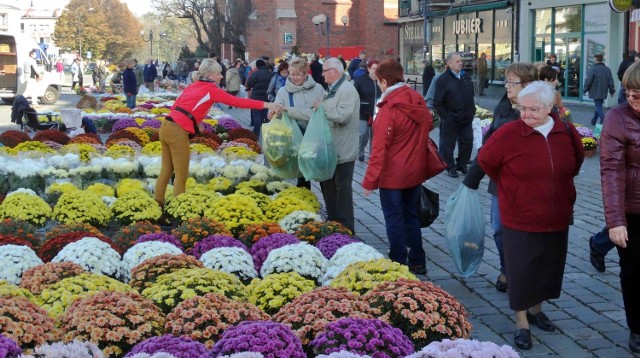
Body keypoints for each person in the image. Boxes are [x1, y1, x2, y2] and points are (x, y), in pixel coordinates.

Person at [479, 81, 584, 351]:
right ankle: (522, 322)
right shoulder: (509, 133)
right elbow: (487, 161)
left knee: (548, 266)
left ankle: (537, 310)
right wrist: (512, 189)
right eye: (522, 108)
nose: (526, 114)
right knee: (522, 268)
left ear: (550, 108)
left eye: (533, 109)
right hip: (520, 214)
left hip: (556, 212)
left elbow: (577, 161)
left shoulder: (566, 131)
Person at [154, 59, 283, 208]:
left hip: (166, 126)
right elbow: (237, 102)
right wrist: (268, 104)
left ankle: (158, 206)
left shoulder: (194, 85)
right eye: (219, 74)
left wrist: (196, 122)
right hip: (177, 131)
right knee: (181, 176)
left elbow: (177, 106)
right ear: (210, 75)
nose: (221, 76)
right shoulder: (211, 90)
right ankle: (180, 210)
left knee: (166, 171)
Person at [463, 62, 538, 293]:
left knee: (527, 233)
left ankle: (525, 275)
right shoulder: (503, 106)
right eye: (506, 81)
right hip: (501, 183)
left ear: (526, 85)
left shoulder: (538, 110)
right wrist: (472, 178)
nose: (507, 86)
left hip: (529, 185)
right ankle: (507, 269)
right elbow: (489, 146)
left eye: (511, 82)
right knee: (499, 229)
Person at [362, 59, 432, 275]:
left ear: (383, 81)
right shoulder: (416, 99)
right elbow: (428, 125)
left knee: (394, 219)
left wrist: (369, 180)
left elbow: (379, 148)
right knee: (411, 216)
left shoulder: (389, 107)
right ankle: (418, 260)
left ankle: (398, 262)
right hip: (414, 170)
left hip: (392, 174)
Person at [600, 60, 640, 353]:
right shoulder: (618, 118)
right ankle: (637, 328)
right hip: (633, 211)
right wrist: (615, 221)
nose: (631, 98)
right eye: (628, 92)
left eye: (638, 93)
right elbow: (611, 170)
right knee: (634, 273)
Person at [315, 57, 360, 233]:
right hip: (330, 148)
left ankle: (346, 228)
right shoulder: (332, 89)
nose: (322, 74)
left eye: (325, 71)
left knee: (342, 190)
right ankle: (333, 223)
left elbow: (343, 116)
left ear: (335, 72)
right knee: (328, 187)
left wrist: (322, 108)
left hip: (343, 149)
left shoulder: (347, 89)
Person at [269, 57, 325, 189]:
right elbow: (277, 109)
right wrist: (274, 113)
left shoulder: (318, 89)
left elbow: (320, 112)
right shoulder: (283, 91)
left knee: (322, 174)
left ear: (306, 74)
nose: (295, 78)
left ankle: (329, 204)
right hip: (296, 137)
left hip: (315, 137)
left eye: (299, 75)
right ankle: (305, 202)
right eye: (292, 74)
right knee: (302, 176)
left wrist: (289, 110)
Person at [434, 52, 475, 178]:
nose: (461, 63)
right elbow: (437, 102)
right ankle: (450, 167)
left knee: (467, 142)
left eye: (461, 61)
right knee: (448, 145)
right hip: (451, 118)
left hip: (466, 117)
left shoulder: (465, 77)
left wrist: (471, 111)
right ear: (449, 63)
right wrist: (446, 116)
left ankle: (461, 164)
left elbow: (470, 94)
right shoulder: (443, 79)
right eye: (457, 61)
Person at [354, 59, 380, 162]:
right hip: (363, 113)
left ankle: (372, 155)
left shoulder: (380, 81)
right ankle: (360, 151)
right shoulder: (361, 80)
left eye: (377, 69)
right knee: (363, 135)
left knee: (375, 136)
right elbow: (354, 94)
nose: (375, 71)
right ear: (368, 69)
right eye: (374, 69)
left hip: (377, 113)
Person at [584, 54, 615, 126]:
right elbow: (611, 81)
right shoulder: (607, 69)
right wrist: (612, 90)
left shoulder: (593, 68)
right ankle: (593, 120)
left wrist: (585, 89)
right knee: (599, 105)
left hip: (595, 91)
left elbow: (588, 80)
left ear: (595, 59)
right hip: (603, 91)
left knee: (598, 106)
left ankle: (604, 121)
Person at [245, 59, 274, 136]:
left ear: (257, 66)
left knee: (257, 115)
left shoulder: (255, 74)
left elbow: (249, 83)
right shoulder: (270, 74)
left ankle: (256, 133)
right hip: (266, 97)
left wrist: (249, 88)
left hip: (256, 97)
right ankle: (267, 133)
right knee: (266, 115)